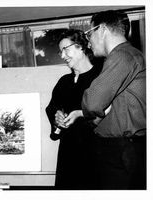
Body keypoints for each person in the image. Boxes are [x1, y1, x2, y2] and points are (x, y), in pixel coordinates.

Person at [81, 10, 146, 189]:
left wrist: (92, 114)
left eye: (89, 33)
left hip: (120, 151)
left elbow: (92, 102)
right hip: (124, 149)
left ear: (101, 29)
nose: (88, 40)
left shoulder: (122, 56)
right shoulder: (128, 56)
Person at [45, 29, 103, 189]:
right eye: (60, 51)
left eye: (66, 49)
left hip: (96, 152)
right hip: (68, 152)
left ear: (81, 47)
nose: (62, 56)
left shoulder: (101, 77)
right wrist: (56, 117)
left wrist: (80, 115)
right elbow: (52, 108)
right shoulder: (64, 82)